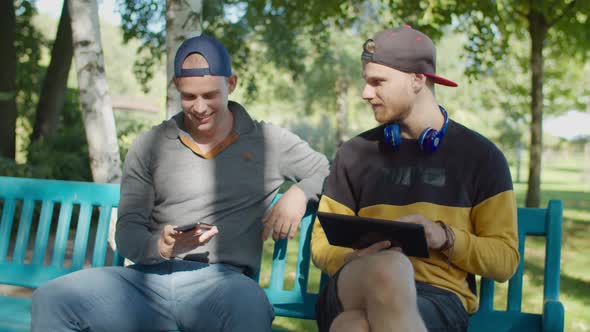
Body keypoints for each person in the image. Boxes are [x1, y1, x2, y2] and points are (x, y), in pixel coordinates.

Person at [31, 34, 330, 332]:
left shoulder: (268, 141)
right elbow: (127, 233)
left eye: (210, 95)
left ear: (232, 84)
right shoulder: (150, 144)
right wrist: (161, 246)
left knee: (250, 306)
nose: (199, 107)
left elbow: (329, 170)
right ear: (176, 87)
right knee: (52, 298)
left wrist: (300, 192)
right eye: (189, 96)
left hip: (222, 284)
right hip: (145, 282)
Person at [311, 26, 520, 332]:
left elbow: (504, 261)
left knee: (353, 326)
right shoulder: (354, 154)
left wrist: (444, 237)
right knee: (389, 267)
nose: (365, 93)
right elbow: (321, 244)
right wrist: (357, 256)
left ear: (417, 80)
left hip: (438, 299)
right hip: (354, 282)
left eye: (377, 82)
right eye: (366, 81)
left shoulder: (481, 157)